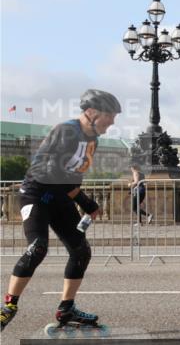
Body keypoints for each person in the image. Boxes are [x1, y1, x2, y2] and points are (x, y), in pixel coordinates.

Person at [1, 89, 121, 331]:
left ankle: (66, 308)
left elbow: (74, 176)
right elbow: (55, 174)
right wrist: (86, 202)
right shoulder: (66, 131)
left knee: (81, 251)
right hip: (37, 195)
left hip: (61, 198)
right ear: (91, 113)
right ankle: (8, 307)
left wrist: (82, 199)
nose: (112, 121)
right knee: (38, 248)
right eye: (109, 115)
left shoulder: (93, 140)